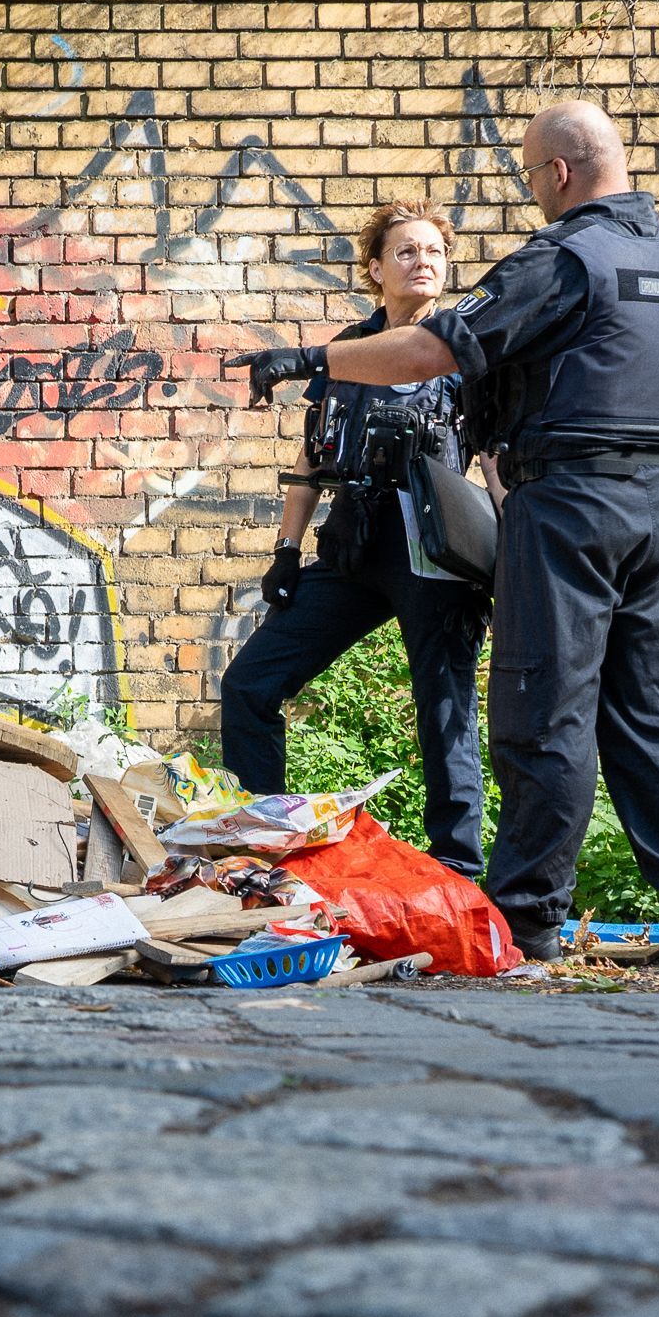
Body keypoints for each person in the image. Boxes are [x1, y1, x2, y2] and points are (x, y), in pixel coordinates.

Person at [235, 101, 659, 964]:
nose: (534, 192)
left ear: (560, 174)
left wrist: (311, 360)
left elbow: (434, 351)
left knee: (544, 708)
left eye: (532, 176)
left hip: (568, 501)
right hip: (655, 510)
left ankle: (527, 918)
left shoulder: (563, 260)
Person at [218, 202, 492, 877]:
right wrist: (286, 551)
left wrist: (511, 556)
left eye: (433, 251)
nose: (423, 261)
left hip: (436, 548)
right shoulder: (348, 349)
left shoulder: (465, 351)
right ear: (375, 269)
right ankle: (265, 851)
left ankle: (457, 871)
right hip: (353, 542)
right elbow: (313, 456)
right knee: (249, 684)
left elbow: (494, 459)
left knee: (445, 705)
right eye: (406, 252)